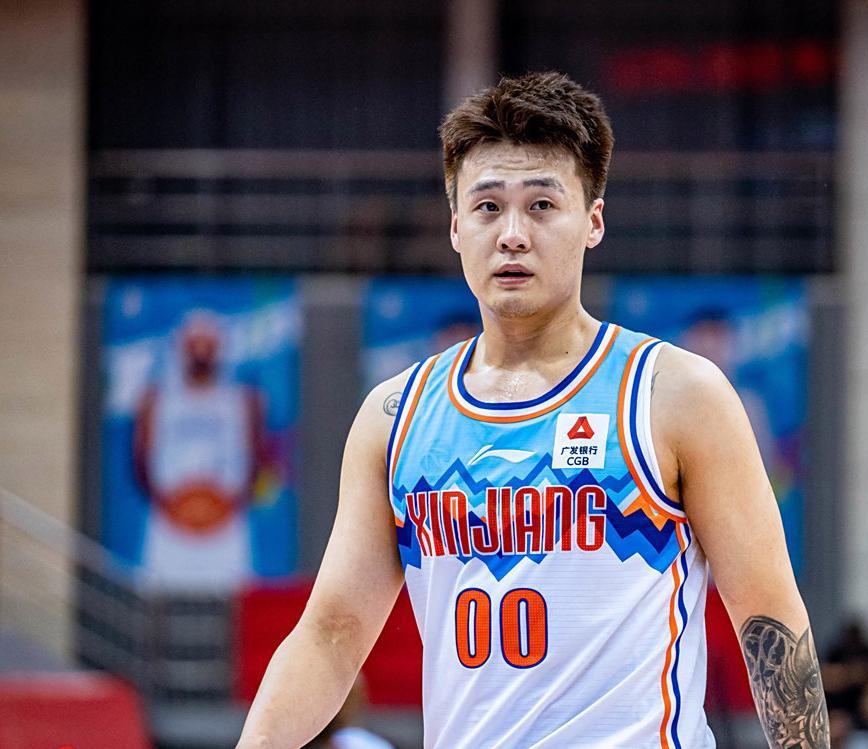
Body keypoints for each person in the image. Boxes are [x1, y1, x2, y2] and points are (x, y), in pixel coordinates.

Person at [237, 71, 828, 748]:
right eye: (488, 207)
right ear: (455, 226)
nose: (512, 234)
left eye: (542, 205)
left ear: (593, 221)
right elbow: (332, 634)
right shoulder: (394, 416)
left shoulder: (675, 393)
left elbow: (768, 619)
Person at [132, 310, 267, 592]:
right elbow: (141, 457)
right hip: (170, 522)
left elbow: (257, 456)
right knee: (162, 589)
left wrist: (231, 501)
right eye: (194, 344)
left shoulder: (242, 400)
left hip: (226, 521)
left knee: (232, 591)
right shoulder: (156, 399)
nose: (201, 353)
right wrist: (170, 503)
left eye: (209, 345)